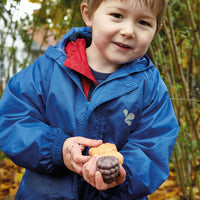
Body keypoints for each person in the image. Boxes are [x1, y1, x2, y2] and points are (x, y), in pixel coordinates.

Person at [0, 0, 179, 199]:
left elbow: (153, 148)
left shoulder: (150, 88)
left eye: (144, 22)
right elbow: (11, 121)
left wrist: (120, 173)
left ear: (156, 30)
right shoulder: (46, 71)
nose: (129, 31)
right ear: (88, 14)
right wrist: (58, 148)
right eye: (117, 16)